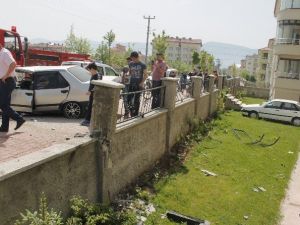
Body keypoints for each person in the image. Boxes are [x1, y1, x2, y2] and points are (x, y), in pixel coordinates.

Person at [0, 43, 25, 132]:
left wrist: (6, 76)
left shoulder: (4, 53)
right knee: (5, 105)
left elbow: (13, 64)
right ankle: (4, 127)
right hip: (5, 81)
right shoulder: (1, 53)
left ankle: (19, 119)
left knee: (2, 104)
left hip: (7, 81)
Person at [80, 62, 102, 126]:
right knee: (90, 107)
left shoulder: (96, 76)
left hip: (94, 94)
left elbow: (95, 86)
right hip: (94, 94)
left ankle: (87, 120)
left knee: (90, 107)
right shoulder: (98, 74)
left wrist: (90, 91)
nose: (89, 71)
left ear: (92, 69)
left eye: (89, 70)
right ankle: (88, 120)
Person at [128, 51, 147, 117]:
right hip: (131, 83)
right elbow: (129, 73)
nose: (132, 60)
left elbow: (145, 75)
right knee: (129, 98)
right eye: (131, 58)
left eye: (133, 58)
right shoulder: (130, 64)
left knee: (136, 99)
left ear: (136, 57)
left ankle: (135, 113)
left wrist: (142, 83)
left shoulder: (142, 65)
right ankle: (131, 112)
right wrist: (127, 77)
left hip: (138, 84)